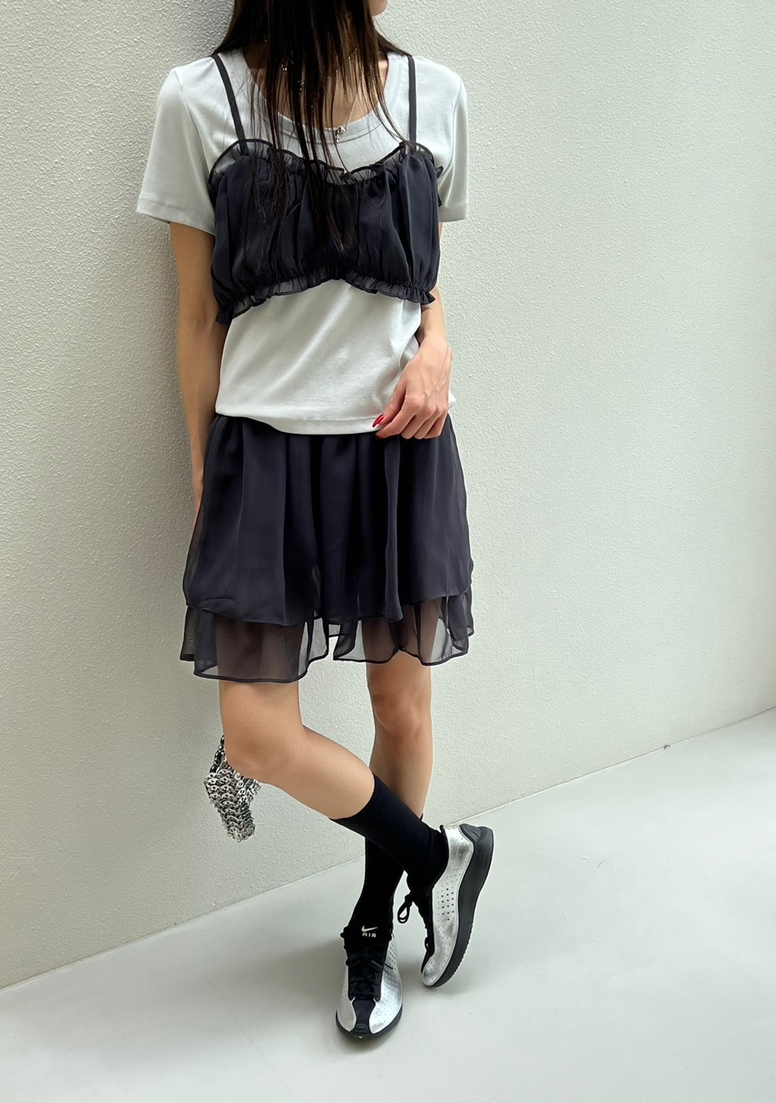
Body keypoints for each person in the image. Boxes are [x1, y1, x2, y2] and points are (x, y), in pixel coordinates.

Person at [135, 0, 493, 1042]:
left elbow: (420, 275)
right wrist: (205, 468)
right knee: (256, 735)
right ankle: (440, 855)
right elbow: (195, 313)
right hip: (263, 451)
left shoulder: (435, 93)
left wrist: (438, 347)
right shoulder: (201, 100)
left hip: (397, 445)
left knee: (403, 708)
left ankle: (374, 924)